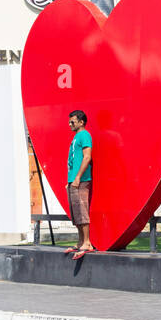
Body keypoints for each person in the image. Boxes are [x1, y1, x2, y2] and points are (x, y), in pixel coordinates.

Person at [66, 109, 94, 259]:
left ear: (81, 122)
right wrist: (70, 180)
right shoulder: (76, 137)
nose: (70, 124)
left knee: (82, 210)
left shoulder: (84, 135)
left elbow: (87, 157)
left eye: (73, 122)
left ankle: (87, 242)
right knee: (75, 211)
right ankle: (80, 241)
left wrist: (77, 177)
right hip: (73, 180)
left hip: (81, 180)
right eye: (70, 122)